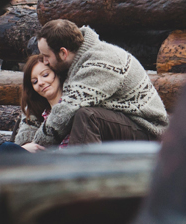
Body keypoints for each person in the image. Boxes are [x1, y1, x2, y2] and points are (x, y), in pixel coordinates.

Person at [25, 18, 169, 147]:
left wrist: (37, 146)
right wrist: (24, 144)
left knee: (87, 116)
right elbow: (34, 102)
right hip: (118, 121)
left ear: (63, 53)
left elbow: (66, 111)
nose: (45, 62)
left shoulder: (100, 63)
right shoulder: (69, 63)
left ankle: (78, 174)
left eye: (46, 56)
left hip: (146, 129)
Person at [0, 53, 65, 155]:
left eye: (45, 75)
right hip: (35, 161)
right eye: (34, 82)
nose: (40, 83)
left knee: (8, 148)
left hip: (57, 163)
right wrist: (25, 148)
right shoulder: (38, 113)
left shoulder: (71, 107)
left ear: (58, 74)